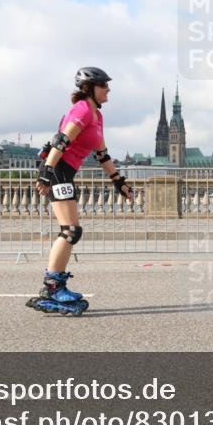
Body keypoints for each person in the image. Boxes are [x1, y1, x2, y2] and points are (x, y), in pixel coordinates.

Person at [25, 67, 134, 316]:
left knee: (71, 231)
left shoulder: (97, 116)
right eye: (104, 85)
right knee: (71, 231)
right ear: (89, 88)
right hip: (57, 168)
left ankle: (56, 284)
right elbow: (61, 141)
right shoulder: (83, 110)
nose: (108, 89)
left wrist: (119, 182)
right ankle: (52, 287)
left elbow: (102, 155)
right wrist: (46, 172)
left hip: (64, 171)